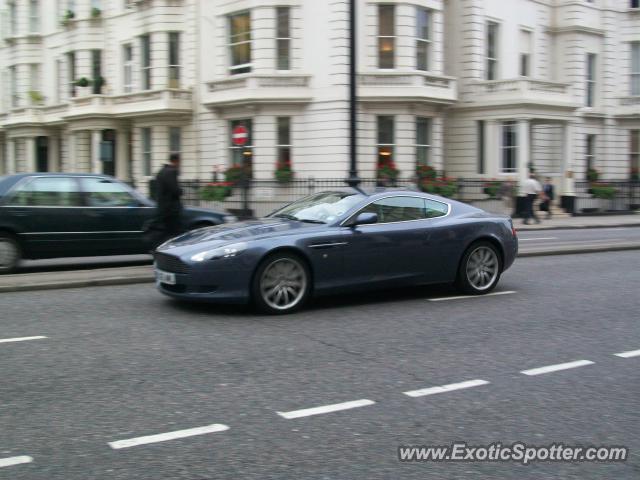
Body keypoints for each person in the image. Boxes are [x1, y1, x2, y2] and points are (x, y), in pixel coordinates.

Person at [150, 153, 184, 247]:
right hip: (171, 209)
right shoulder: (171, 172)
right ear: (177, 161)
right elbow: (175, 190)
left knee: (165, 233)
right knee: (174, 234)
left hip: (162, 207)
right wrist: (181, 191)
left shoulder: (161, 171)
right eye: (179, 161)